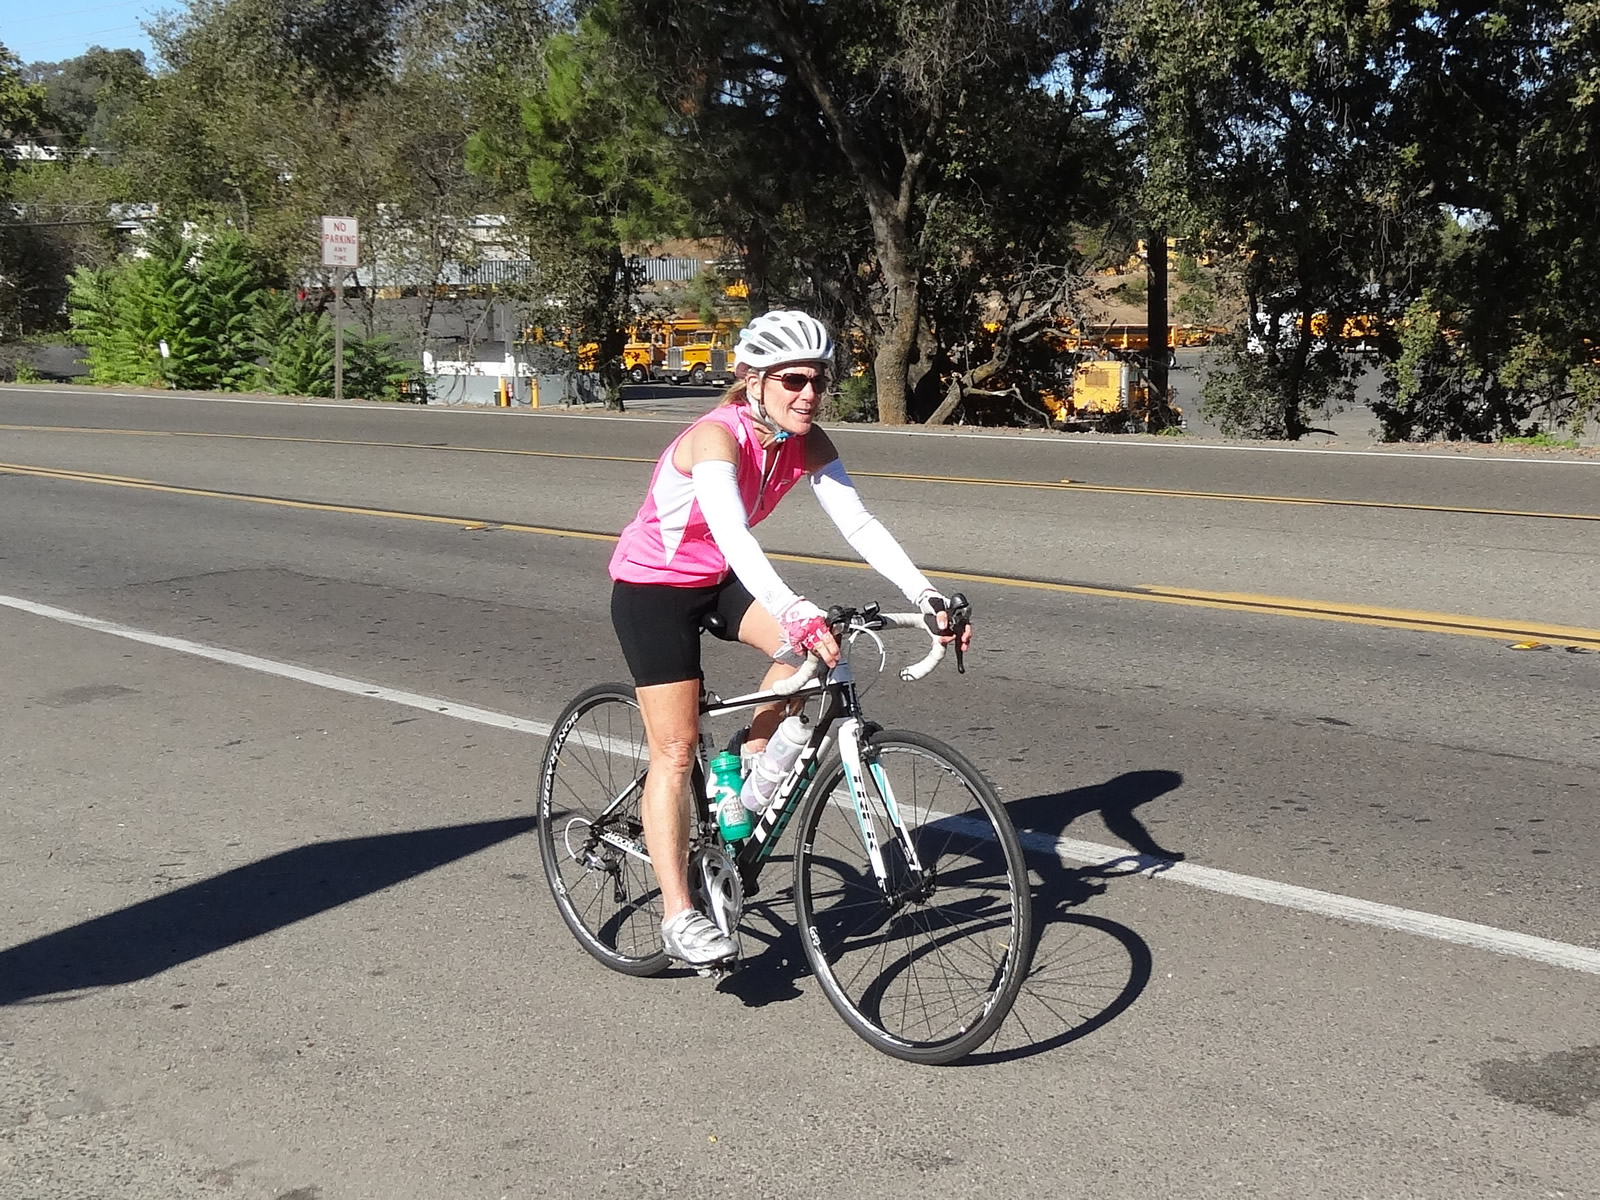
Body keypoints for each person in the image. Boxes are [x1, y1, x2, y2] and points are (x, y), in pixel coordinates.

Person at [608, 309, 973, 967]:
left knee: (815, 652)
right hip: (652, 588)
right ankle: (679, 916)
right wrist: (793, 605)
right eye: (793, 380)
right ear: (753, 380)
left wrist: (926, 596)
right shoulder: (715, 438)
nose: (809, 394)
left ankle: (747, 766)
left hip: (717, 580)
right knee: (676, 745)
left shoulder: (805, 440)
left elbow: (859, 524)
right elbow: (732, 533)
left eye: (819, 381)